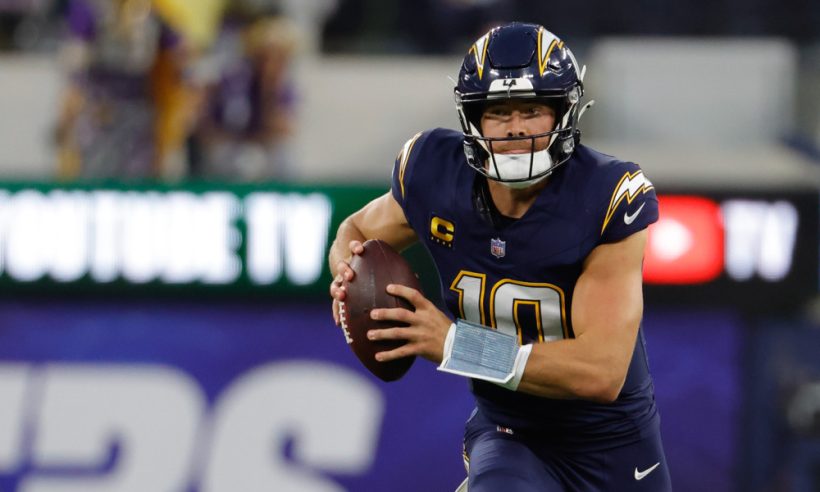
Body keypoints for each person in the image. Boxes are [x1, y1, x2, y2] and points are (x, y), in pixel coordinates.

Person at [328, 22, 672, 491]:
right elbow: (355, 231)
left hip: (611, 445)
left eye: (532, 109)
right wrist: (347, 273)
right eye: (498, 111)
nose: (516, 127)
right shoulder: (434, 173)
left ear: (563, 112)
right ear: (472, 119)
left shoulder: (606, 195)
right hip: (511, 434)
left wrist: (455, 344)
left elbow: (601, 372)